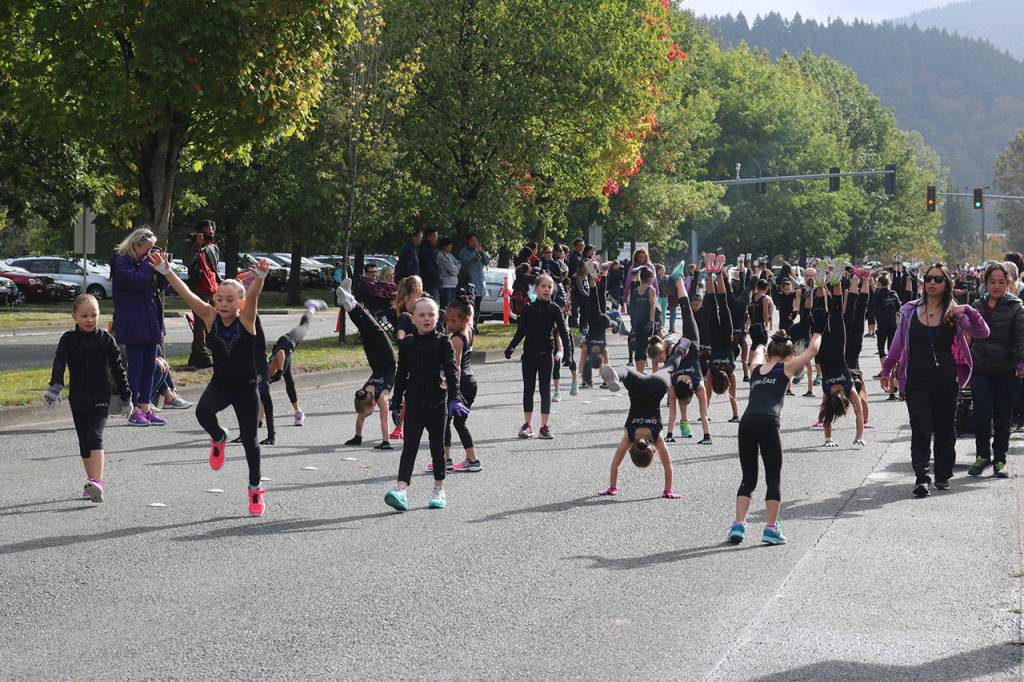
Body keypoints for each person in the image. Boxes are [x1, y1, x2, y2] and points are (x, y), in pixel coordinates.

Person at [151, 251, 273, 516]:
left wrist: (260, 278)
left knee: (250, 441)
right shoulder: (210, 317)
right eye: (219, 299)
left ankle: (255, 490)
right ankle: (219, 437)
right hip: (221, 384)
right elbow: (188, 296)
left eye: (230, 300)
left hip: (246, 388)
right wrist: (167, 272)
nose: (223, 304)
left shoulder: (247, 319)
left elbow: (253, 296)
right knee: (202, 412)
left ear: (240, 303)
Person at [881, 263, 990, 498]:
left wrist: (968, 309)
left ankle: (942, 474)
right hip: (916, 380)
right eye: (928, 278)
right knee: (920, 428)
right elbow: (898, 343)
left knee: (945, 428)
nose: (932, 283)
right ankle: (922, 477)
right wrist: (887, 369)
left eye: (938, 279)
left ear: (947, 284)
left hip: (946, 380)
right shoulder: (910, 310)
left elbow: (983, 332)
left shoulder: (954, 314)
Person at [728, 322, 825, 545]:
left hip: (747, 422)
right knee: (773, 478)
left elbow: (757, 352)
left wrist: (761, 341)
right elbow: (813, 350)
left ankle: (739, 525)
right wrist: (818, 330)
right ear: (789, 355)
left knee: (748, 478)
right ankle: (771, 529)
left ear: (769, 353)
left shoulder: (755, 369)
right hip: (769, 422)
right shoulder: (786, 368)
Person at [43, 294, 132, 503]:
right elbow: (59, 363)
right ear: (74, 316)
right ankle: (91, 483)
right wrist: (55, 387)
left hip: (100, 397)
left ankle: (97, 483)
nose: (90, 320)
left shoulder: (106, 339)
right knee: (84, 442)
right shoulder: (68, 339)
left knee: (95, 435)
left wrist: (127, 397)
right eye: (84, 316)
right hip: (78, 398)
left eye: (94, 315)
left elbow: (118, 369)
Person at [384, 298, 469, 511]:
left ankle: (438, 489)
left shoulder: (443, 342)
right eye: (422, 315)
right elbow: (401, 374)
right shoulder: (407, 344)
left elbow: (451, 372)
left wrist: (455, 398)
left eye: (431, 314)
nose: (427, 318)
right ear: (413, 319)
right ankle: (401, 489)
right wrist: (396, 402)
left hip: (437, 405)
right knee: (409, 447)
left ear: (437, 318)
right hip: (414, 404)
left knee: (437, 448)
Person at [968, 262, 1024, 479]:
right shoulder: (977, 305)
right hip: (981, 369)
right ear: (986, 283)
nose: (997, 286)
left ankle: (1000, 459)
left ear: (1008, 283)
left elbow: (1021, 338)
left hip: (1007, 371)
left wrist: (1022, 363)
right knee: (981, 413)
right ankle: (982, 456)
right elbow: (968, 337)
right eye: (992, 282)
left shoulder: (1016, 307)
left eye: (1001, 282)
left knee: (1003, 417)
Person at [111, 227, 168, 428]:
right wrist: (149, 264)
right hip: (133, 320)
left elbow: (162, 286)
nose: (151, 252)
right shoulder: (121, 261)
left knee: (149, 366)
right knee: (136, 366)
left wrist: (163, 269)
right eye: (148, 248)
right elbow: (136, 281)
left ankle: (146, 407)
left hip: (150, 318)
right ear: (136, 245)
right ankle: (133, 409)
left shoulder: (145, 263)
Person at [597, 364, 681, 500]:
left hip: (657, 386)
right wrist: (612, 488)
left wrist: (668, 490)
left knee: (671, 366)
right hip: (637, 388)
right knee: (624, 369)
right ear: (630, 450)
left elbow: (668, 466)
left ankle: (679, 353)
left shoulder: (656, 437)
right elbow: (615, 465)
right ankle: (617, 376)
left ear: (653, 451)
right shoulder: (629, 436)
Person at [504, 273, 572, 439]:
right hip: (529, 355)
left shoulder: (554, 309)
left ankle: (544, 426)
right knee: (528, 389)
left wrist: (568, 353)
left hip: (545, 355)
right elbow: (521, 331)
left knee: (544, 390)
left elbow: (563, 332)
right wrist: (511, 346)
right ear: (536, 288)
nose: (546, 289)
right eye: (543, 286)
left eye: (550, 287)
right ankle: (527, 425)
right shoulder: (528, 308)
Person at [338, 286, 397, 451]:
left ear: (371, 405)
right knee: (368, 329)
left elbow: (383, 420)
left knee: (370, 329)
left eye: (364, 413)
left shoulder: (373, 396)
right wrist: (359, 438)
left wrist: (384, 441)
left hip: (381, 360)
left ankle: (350, 302)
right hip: (383, 360)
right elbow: (369, 418)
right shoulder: (370, 395)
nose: (363, 417)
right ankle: (349, 302)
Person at [266, 300, 328, 428]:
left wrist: (280, 371)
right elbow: (262, 399)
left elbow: (281, 353)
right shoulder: (263, 380)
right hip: (285, 348)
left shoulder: (270, 367)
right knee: (289, 381)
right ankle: (298, 412)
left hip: (290, 339)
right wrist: (259, 420)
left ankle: (312, 307)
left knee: (304, 325)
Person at [444, 294, 481, 472]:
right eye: (447, 320)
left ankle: (445, 459)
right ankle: (471, 459)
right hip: (470, 382)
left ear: (465, 319)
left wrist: (454, 391)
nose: (449, 324)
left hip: (462, 383)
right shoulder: (469, 331)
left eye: (453, 320)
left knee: (445, 421)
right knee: (459, 423)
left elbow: (456, 366)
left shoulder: (456, 339)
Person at [186, 220, 221, 368]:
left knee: (212, 324)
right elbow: (188, 261)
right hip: (199, 289)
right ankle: (201, 356)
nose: (209, 235)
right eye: (206, 232)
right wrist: (197, 245)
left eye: (211, 232)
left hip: (213, 289)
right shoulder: (192, 245)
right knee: (200, 324)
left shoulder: (213, 247)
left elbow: (215, 269)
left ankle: (196, 356)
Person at [627, 267, 658, 373]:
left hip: (640, 323)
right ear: (649, 278)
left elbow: (632, 307)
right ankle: (641, 372)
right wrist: (651, 322)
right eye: (652, 277)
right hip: (644, 323)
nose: (653, 279)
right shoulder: (650, 290)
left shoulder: (637, 290)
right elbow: (652, 306)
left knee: (640, 347)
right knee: (642, 347)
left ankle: (640, 371)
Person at [458, 234, 491, 327]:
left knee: (477, 306)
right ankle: (468, 325)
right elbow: (464, 263)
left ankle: (475, 325)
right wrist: (474, 259)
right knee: (469, 305)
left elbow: (487, 261)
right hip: (469, 282)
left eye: (476, 240)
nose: (474, 243)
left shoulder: (479, 251)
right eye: (472, 240)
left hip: (480, 282)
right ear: (468, 241)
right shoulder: (464, 252)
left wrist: (482, 252)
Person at [436, 238, 461, 309]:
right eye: (449, 247)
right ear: (444, 247)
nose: (450, 249)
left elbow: (459, 264)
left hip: (453, 284)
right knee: (445, 306)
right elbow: (452, 270)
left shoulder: (450, 255)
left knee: (451, 307)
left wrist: (455, 268)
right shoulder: (441, 256)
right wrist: (455, 268)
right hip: (446, 285)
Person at [418, 228, 441, 300]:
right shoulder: (425, 250)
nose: (436, 239)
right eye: (434, 236)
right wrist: (436, 277)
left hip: (430, 282)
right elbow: (428, 267)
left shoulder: (430, 249)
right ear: (428, 237)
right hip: (429, 283)